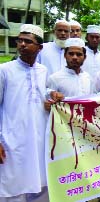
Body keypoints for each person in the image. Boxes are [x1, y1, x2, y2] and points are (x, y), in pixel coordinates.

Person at [0, 24, 50, 202]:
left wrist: (51, 97)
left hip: (37, 139)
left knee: (40, 182)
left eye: (28, 41)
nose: (22, 44)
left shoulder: (43, 71)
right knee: (13, 185)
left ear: (40, 47)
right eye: (19, 40)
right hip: (12, 138)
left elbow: (43, 96)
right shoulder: (5, 70)